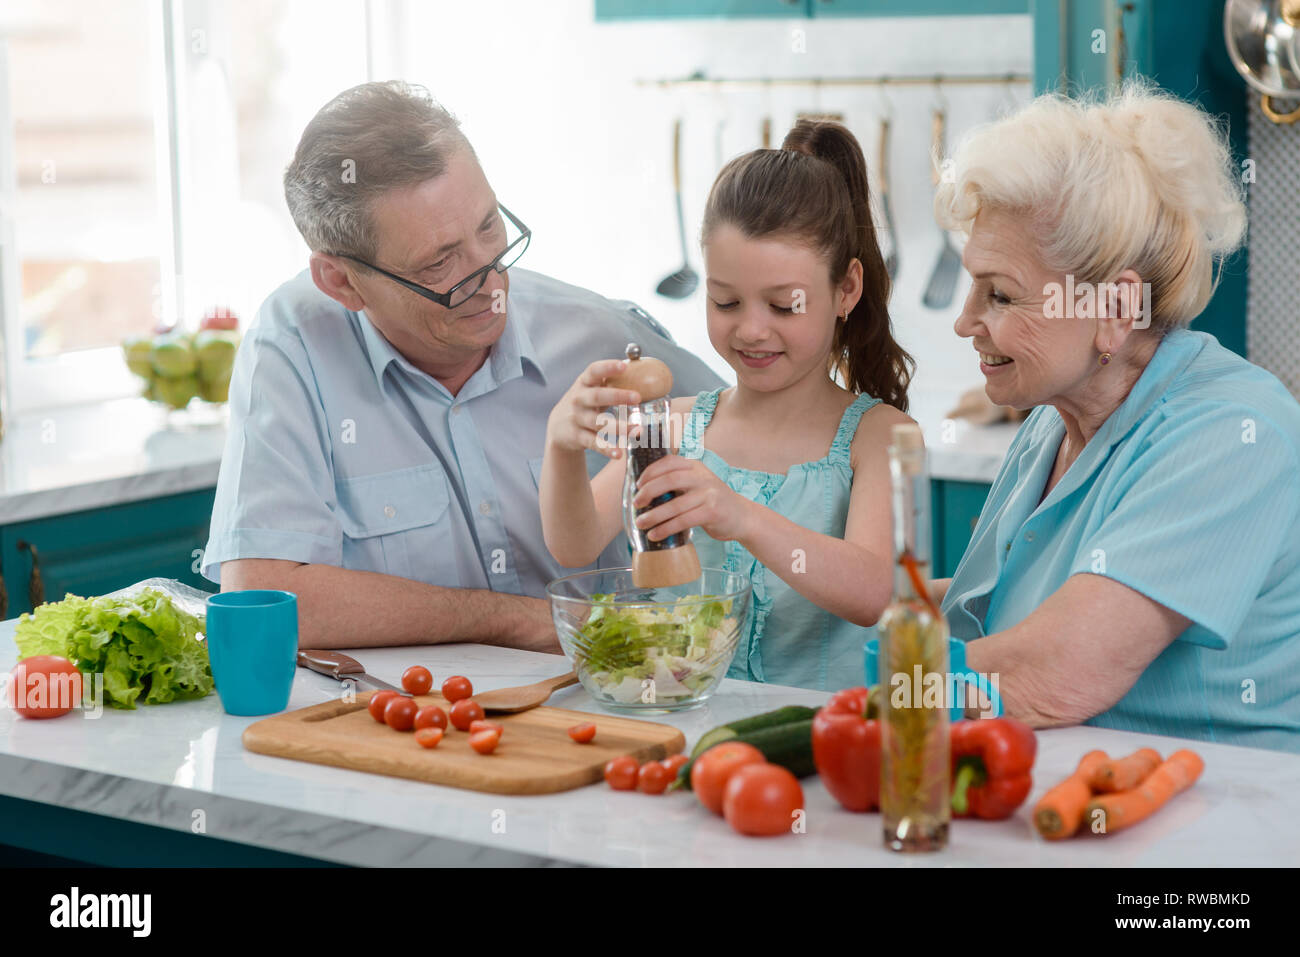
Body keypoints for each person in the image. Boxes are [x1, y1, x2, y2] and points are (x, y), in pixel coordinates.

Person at [201, 81, 722, 651]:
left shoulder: (599, 335)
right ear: (342, 282)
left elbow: (779, 434)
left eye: (489, 228)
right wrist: (519, 620)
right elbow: (263, 599)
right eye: (439, 263)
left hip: (617, 697)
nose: (490, 282)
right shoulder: (294, 346)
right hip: (415, 719)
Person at [932, 83, 1300, 752]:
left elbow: (1055, 671)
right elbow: (994, 609)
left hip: (1213, 818)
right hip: (1052, 792)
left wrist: (881, 689)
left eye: (1000, 294)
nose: (965, 322)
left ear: (1114, 309)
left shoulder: (1235, 433)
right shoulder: (1051, 424)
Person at [541, 119, 916, 691]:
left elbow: (872, 594)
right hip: (682, 723)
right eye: (726, 301)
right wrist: (562, 445)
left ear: (847, 290)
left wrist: (740, 515)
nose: (751, 329)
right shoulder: (674, 424)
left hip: (825, 744)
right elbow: (573, 544)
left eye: (783, 306)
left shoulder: (879, 436)